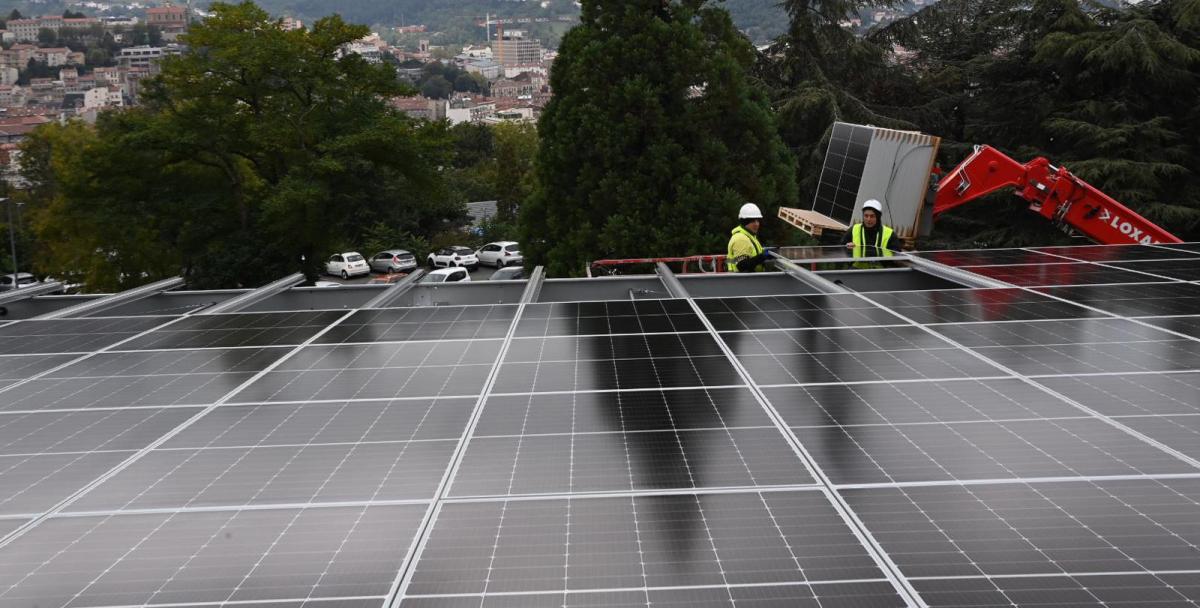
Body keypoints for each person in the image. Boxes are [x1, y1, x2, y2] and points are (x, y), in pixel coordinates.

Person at [842, 199, 902, 266]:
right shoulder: (854, 229)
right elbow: (840, 247)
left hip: (879, 273)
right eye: (866, 216)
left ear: (878, 217)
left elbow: (896, 254)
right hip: (857, 271)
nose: (868, 219)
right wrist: (847, 247)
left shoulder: (890, 234)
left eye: (872, 216)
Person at [728, 203, 771, 273]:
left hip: (748, 280)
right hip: (743, 281)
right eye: (752, 221)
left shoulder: (749, 236)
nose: (756, 224)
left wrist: (769, 253)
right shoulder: (740, 238)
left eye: (757, 220)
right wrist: (762, 257)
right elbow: (742, 265)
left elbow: (751, 254)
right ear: (745, 222)